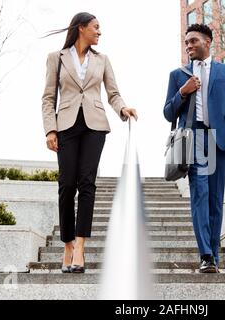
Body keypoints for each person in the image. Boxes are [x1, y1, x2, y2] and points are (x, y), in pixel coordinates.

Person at [42, 12, 138, 273]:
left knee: (87, 184)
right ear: (81, 28)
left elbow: (113, 93)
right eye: (96, 27)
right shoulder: (56, 59)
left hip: (95, 126)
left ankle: (81, 247)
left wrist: (123, 109)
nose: (99, 32)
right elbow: (48, 97)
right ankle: (68, 244)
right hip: (67, 126)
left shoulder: (103, 60)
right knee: (66, 185)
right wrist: (51, 130)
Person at [163, 24, 225, 273]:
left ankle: (213, 255)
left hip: (219, 141)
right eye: (186, 42)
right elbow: (168, 112)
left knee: (215, 200)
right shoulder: (178, 74)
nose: (188, 45)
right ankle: (206, 255)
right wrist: (183, 92)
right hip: (194, 137)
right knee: (200, 193)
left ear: (208, 42)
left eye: (193, 41)